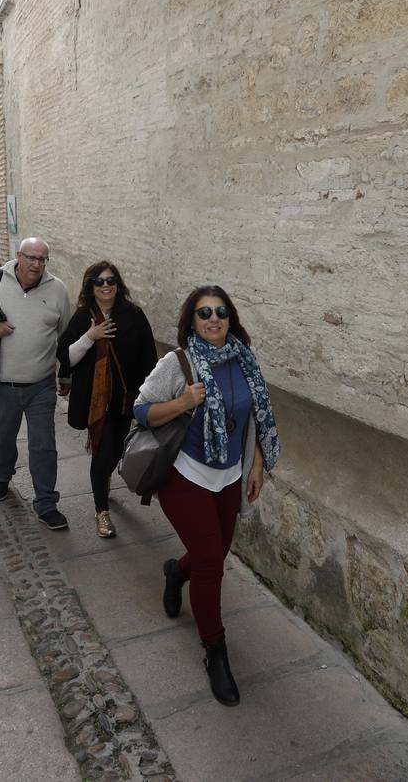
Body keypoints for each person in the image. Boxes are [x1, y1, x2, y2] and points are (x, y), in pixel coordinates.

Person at [133, 285, 280, 707]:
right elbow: (141, 410)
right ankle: (215, 653)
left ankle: (177, 573)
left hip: (229, 474)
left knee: (212, 554)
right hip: (186, 476)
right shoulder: (178, 363)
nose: (213, 319)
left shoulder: (244, 360)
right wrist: (181, 402)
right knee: (212, 562)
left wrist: (255, 465)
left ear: (230, 317)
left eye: (220, 312)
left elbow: (252, 416)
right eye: (203, 313)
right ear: (191, 321)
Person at [0, 238, 72, 530]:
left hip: (41, 386)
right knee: (3, 438)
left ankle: (46, 503)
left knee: (44, 445)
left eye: (42, 259)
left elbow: (65, 336)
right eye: (31, 257)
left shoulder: (57, 289)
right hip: (3, 385)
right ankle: (2, 476)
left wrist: (65, 375)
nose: (36, 264)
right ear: (19, 256)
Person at [57, 261, 157, 539]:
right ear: (91, 286)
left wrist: (148, 395)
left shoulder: (133, 315)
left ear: (118, 285)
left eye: (110, 281)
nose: (105, 286)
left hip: (127, 401)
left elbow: (149, 357)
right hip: (96, 403)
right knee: (102, 454)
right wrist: (90, 336)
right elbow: (66, 356)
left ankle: (103, 482)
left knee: (115, 452)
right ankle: (102, 510)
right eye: (99, 282)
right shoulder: (82, 318)